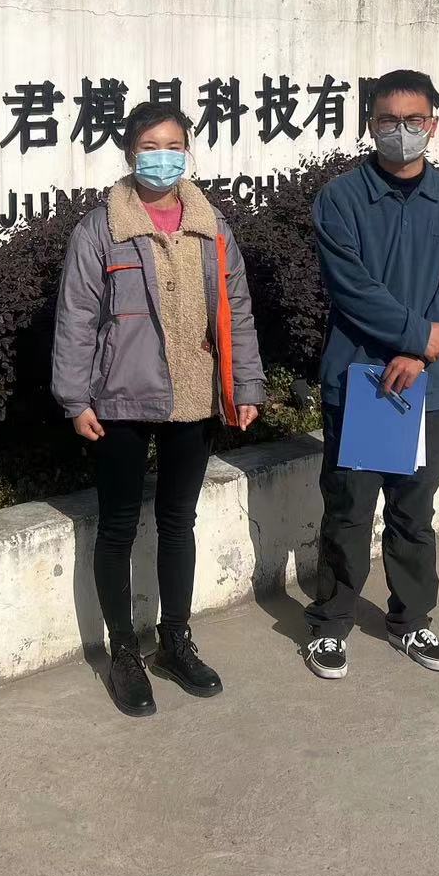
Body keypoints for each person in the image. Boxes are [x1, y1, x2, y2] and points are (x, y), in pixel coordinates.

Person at [52, 102, 265, 717]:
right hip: (118, 398)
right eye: (150, 146)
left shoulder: (211, 226)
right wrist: (74, 398)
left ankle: (175, 641)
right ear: (129, 152)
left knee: (177, 522)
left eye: (173, 145)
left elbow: (237, 310)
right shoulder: (101, 229)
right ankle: (124, 653)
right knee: (118, 526)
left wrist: (246, 387)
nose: (162, 157)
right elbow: (77, 318)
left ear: (188, 151)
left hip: (195, 395)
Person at [304, 70, 439, 681]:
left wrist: (422, 353)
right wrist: (415, 337)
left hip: (424, 386)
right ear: (370, 124)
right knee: (349, 511)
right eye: (388, 120)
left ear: (433, 125)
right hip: (360, 381)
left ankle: (411, 621)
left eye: (413, 120)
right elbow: (351, 288)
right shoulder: (341, 200)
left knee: (413, 512)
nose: (400, 131)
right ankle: (331, 623)